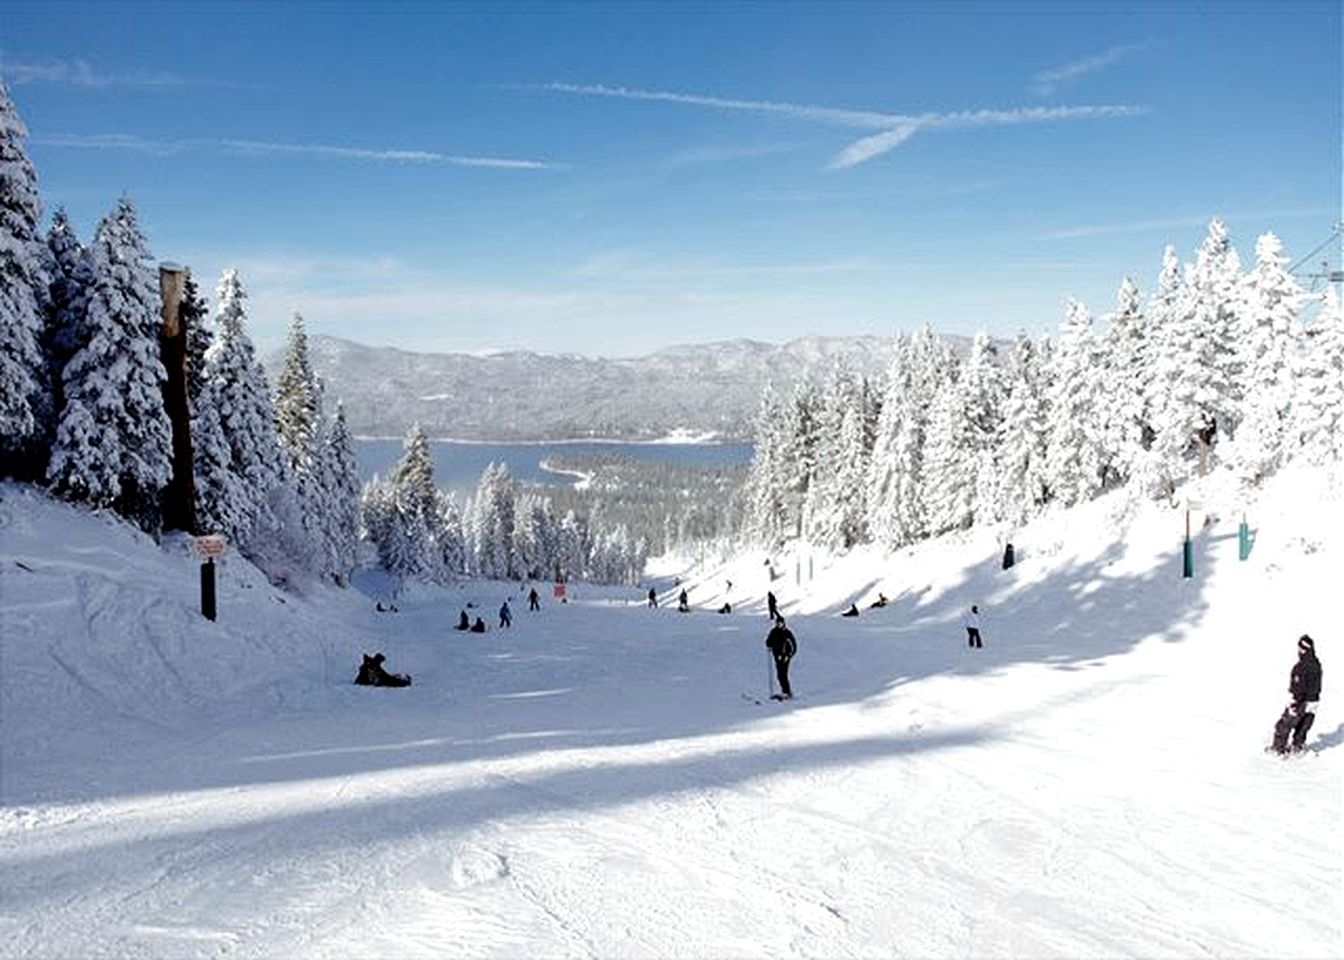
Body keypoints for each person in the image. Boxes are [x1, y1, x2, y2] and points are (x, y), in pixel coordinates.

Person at [1271, 635, 1323, 754]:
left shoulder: (1300, 667)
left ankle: (1277, 749)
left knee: (1284, 725)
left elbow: (1299, 687)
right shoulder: (1316, 663)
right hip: (1313, 702)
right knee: (1303, 726)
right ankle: (1297, 747)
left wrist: (1294, 702)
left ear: (1302, 648)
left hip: (1301, 701)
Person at [765, 616, 797, 700]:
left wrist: (788, 655)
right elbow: (769, 641)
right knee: (779, 675)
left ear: (783, 623)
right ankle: (784, 691)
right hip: (777, 657)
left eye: (780, 623)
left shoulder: (787, 633)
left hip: (785, 657)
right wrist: (768, 645)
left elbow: (794, 646)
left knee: (783, 674)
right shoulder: (774, 631)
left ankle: (787, 692)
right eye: (777, 623)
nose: (778, 624)